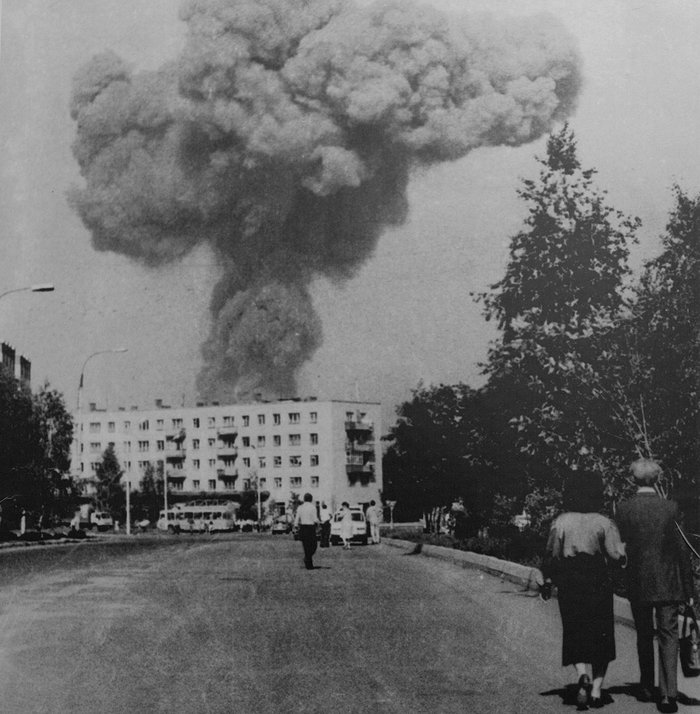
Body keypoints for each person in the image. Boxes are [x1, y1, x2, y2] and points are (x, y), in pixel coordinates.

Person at [616, 458, 695, 714]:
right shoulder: (670, 508)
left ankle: (646, 686)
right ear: (657, 479)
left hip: (638, 582)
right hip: (669, 583)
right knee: (668, 635)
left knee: (643, 634)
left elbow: (620, 548)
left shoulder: (624, 509)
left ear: (633, 479)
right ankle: (668, 694)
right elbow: (682, 551)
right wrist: (689, 588)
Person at [542, 470, 626, 709]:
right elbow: (615, 555)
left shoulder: (561, 521)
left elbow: (552, 554)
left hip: (570, 581)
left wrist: (548, 579)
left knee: (574, 629)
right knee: (601, 633)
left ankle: (581, 676)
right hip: (597, 580)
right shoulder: (604, 522)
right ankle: (597, 690)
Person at [294, 493, 319, 570]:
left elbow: (297, 518)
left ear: (304, 499)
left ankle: (308, 562)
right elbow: (315, 518)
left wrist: (295, 526)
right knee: (313, 545)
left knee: (306, 546)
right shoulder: (312, 507)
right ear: (311, 499)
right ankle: (308, 561)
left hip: (303, 527)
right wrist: (318, 523)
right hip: (311, 528)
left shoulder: (300, 507)